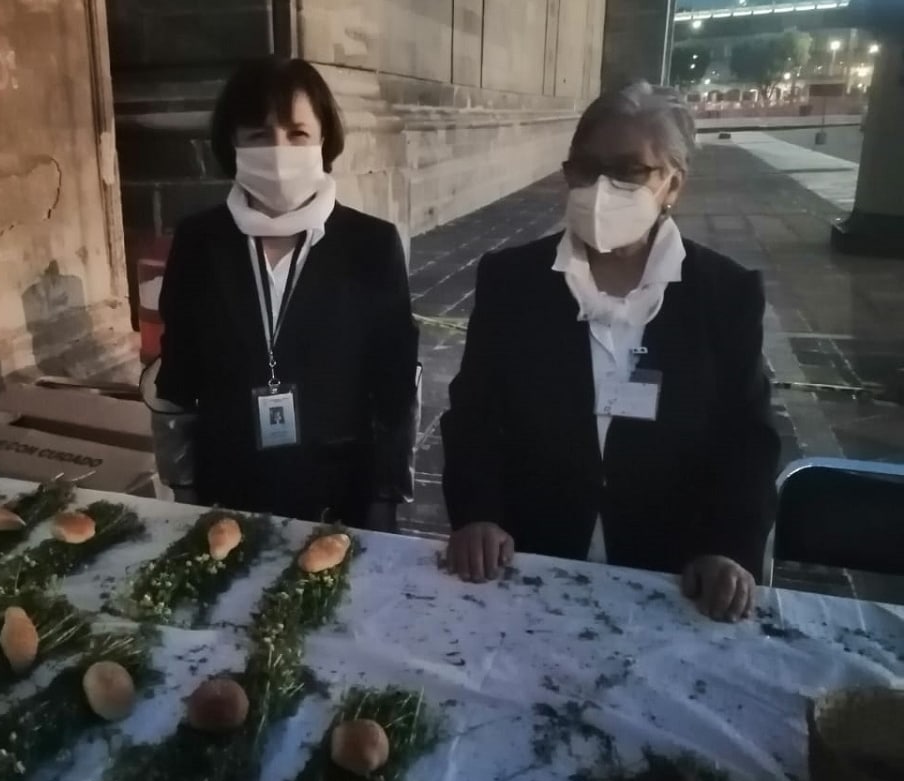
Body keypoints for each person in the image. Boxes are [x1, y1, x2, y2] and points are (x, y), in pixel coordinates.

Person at [440, 82, 780, 622]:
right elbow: (475, 416)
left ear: (672, 184)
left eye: (627, 171)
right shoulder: (513, 282)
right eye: (586, 168)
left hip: (674, 579)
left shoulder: (724, 294)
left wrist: (730, 549)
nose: (601, 188)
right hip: (527, 564)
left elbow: (748, 437)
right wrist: (477, 516)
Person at [147, 57, 420, 532]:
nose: (278, 150)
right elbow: (178, 371)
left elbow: (395, 382)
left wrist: (385, 495)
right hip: (226, 486)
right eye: (257, 134)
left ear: (323, 140)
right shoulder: (199, 241)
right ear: (232, 144)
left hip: (339, 492)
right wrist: (183, 484)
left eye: (297, 133)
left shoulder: (371, 244)